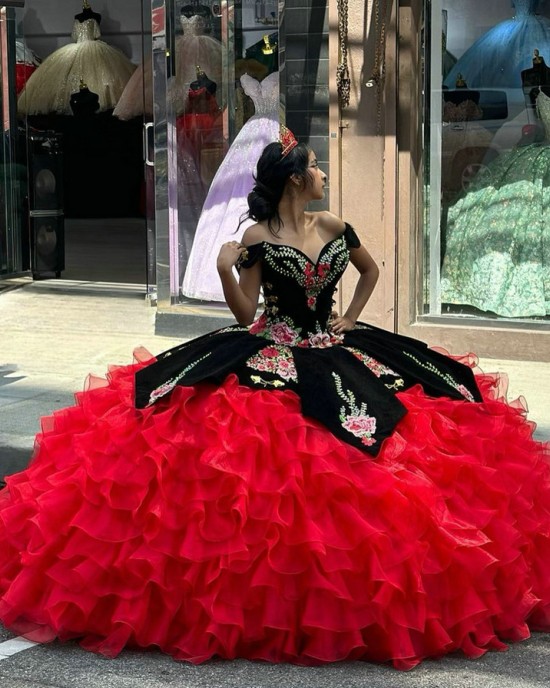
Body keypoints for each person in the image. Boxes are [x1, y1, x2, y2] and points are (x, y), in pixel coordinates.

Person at [0, 127, 549, 671]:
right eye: (316, 167)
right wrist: (223, 269)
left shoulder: (333, 224)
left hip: (332, 344)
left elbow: (371, 270)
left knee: (412, 414)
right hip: (271, 345)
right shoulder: (258, 238)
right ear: (294, 179)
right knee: (239, 453)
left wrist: (351, 319)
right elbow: (246, 314)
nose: (325, 174)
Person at [17, 1, 135, 116]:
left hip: (79, 46)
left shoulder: (79, 18)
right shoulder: (95, 17)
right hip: (92, 45)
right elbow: (96, 34)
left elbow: (74, 35)